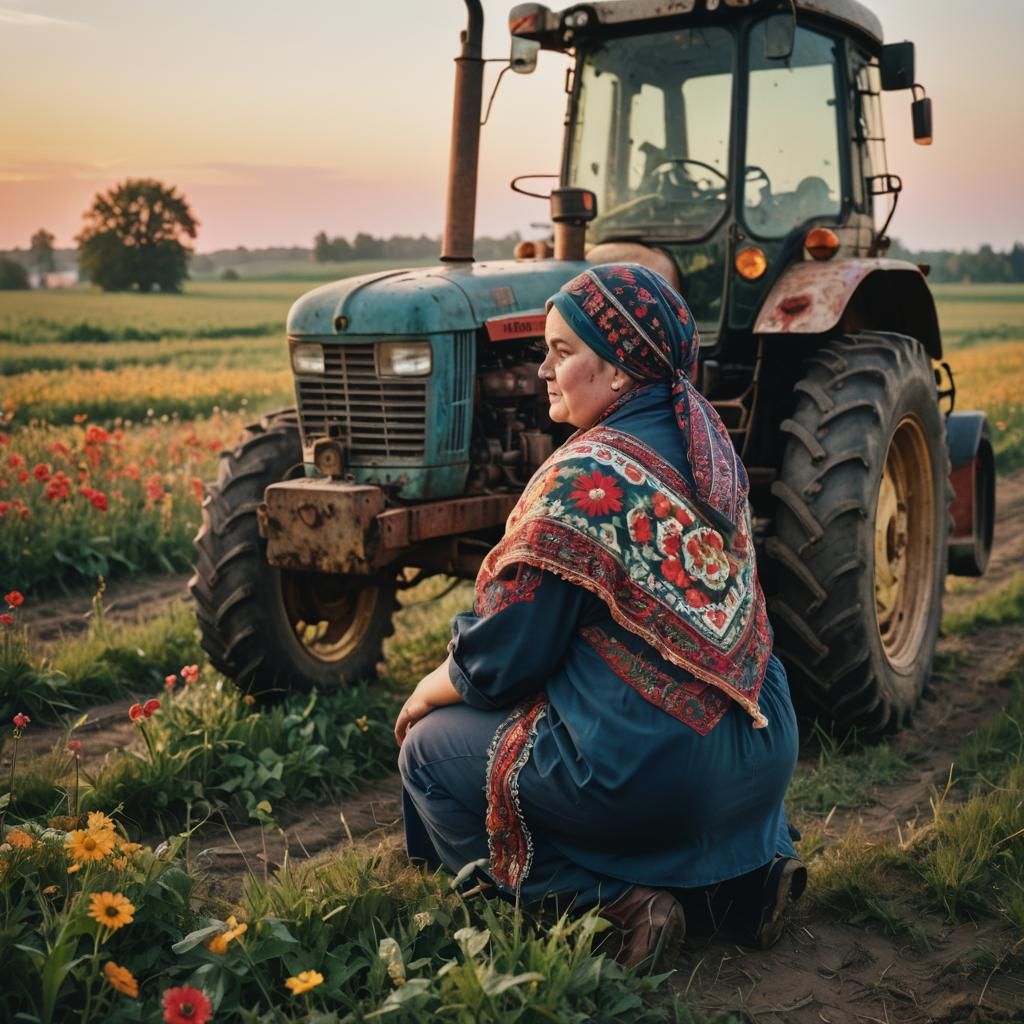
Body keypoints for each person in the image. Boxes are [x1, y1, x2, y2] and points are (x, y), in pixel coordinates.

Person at [396, 263, 805, 968]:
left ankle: (607, 903)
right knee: (631, 726)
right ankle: (744, 885)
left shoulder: (586, 478)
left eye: (561, 352)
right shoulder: (710, 449)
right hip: (762, 759)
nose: (542, 371)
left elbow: (505, 658)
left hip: (661, 777)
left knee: (429, 753)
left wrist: (425, 692)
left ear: (618, 372)